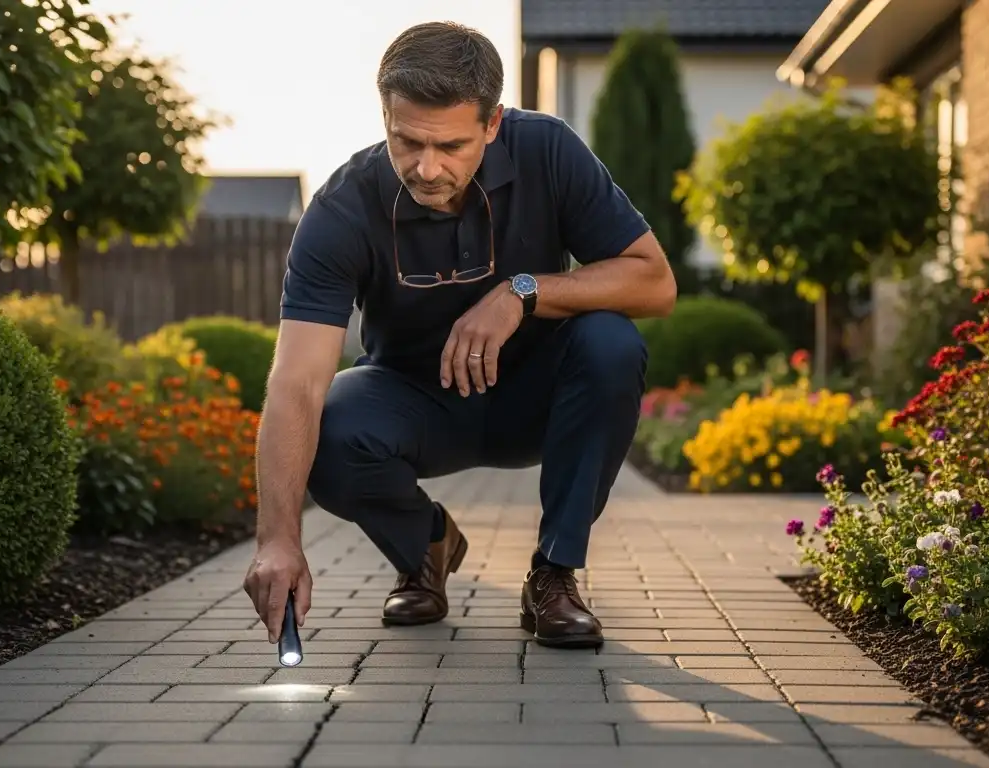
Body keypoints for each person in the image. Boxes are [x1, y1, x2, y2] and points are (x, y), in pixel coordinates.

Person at [243, 21, 676, 649]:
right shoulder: (342, 209)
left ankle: (554, 574)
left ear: (493, 123)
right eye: (406, 141)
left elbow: (654, 283)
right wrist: (277, 539)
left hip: (537, 396)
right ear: (385, 117)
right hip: (415, 403)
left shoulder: (548, 150)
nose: (426, 166)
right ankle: (426, 545)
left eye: (450, 146)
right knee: (329, 427)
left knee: (611, 342)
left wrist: (523, 292)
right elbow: (296, 381)